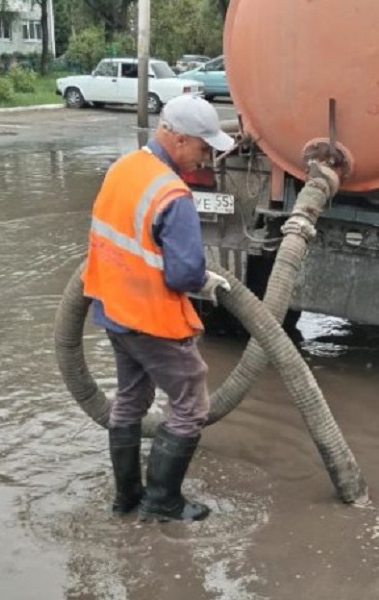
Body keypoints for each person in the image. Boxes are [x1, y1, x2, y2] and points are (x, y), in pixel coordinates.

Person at [81, 94, 235, 522]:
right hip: (151, 319)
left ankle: (127, 497)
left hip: (113, 311)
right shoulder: (173, 194)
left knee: (131, 398)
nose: (206, 158)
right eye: (203, 148)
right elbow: (184, 275)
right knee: (190, 403)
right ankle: (163, 501)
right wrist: (204, 279)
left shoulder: (123, 169)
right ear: (179, 138)